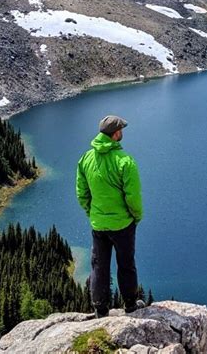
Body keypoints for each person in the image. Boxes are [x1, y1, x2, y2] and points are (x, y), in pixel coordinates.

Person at [76, 114, 145, 318]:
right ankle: (131, 305)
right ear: (116, 134)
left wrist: (92, 213)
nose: (122, 132)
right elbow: (133, 197)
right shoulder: (125, 161)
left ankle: (100, 309)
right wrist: (136, 216)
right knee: (126, 264)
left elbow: (82, 193)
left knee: (99, 266)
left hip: (99, 224)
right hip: (123, 224)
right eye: (121, 129)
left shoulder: (86, 159)